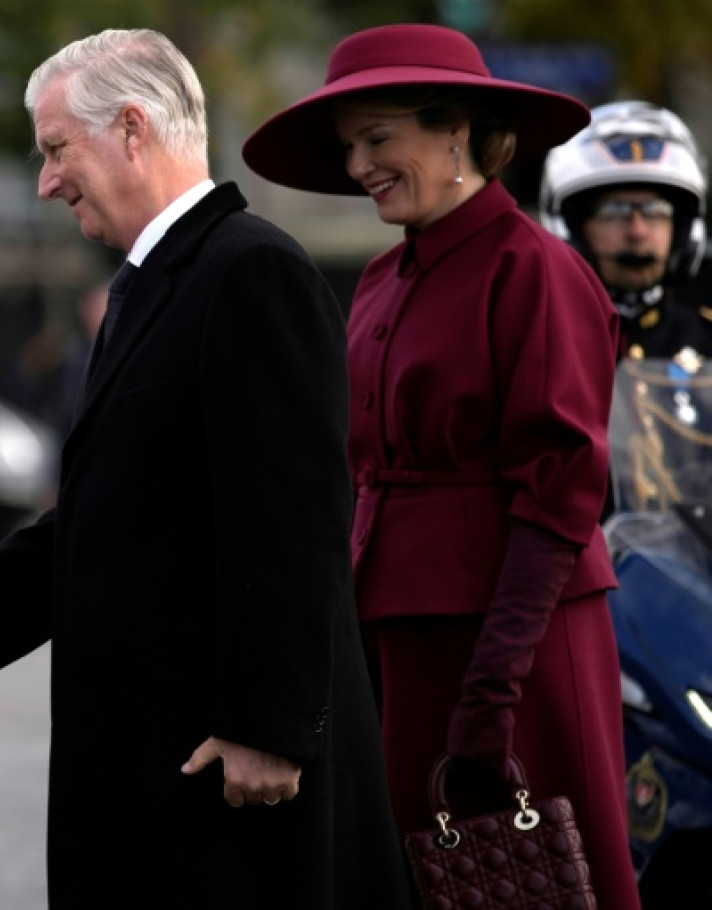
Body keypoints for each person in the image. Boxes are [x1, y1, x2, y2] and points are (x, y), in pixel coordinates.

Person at [0, 29, 411, 908]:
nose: (46, 180)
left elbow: (292, 520)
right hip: (160, 764)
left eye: (57, 149)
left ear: (133, 129)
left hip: (226, 776)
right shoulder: (160, 284)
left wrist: (269, 728)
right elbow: (124, 511)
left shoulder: (252, 270)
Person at [243, 22, 641, 910]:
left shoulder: (538, 269)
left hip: (517, 647)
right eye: (350, 148)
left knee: (535, 882)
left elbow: (560, 496)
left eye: (378, 139)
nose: (358, 167)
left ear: (455, 127)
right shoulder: (381, 280)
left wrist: (492, 693)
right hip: (400, 644)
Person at [541, 100, 712, 360]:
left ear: (682, 228)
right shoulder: (537, 340)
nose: (638, 231)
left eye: (656, 210)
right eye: (614, 211)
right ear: (573, 229)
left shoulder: (705, 338)